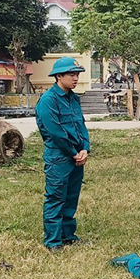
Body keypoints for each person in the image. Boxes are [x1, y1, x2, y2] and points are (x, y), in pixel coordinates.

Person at [35, 56, 90, 252]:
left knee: (71, 197)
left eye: (77, 75)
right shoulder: (48, 100)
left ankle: (68, 236)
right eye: (71, 75)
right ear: (59, 76)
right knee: (56, 198)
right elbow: (55, 132)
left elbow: (81, 125)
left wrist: (85, 148)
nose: (76, 78)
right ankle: (53, 241)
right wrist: (74, 152)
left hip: (76, 155)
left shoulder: (74, 98)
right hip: (59, 157)